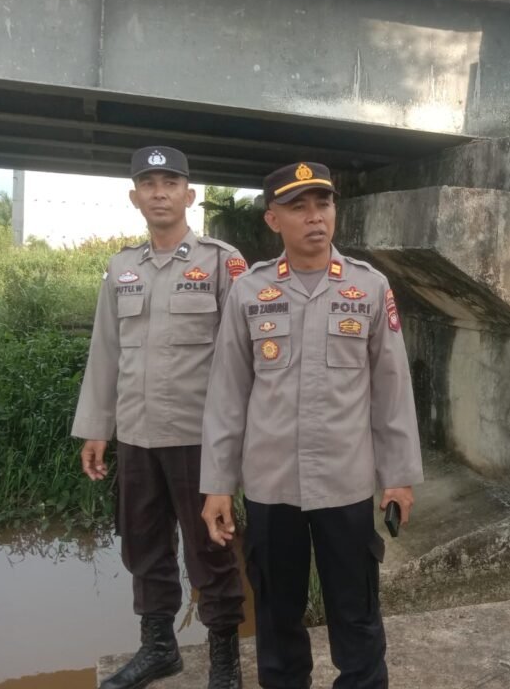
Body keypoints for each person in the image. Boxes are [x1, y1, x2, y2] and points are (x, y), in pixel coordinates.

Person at [200, 161, 423, 689]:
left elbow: (392, 389)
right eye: (298, 207)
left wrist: (398, 476)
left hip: (345, 485)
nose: (314, 217)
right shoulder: (249, 291)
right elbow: (227, 393)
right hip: (271, 486)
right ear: (273, 219)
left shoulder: (368, 288)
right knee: (277, 619)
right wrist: (216, 486)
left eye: (322, 203)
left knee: (358, 614)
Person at [72, 146, 248, 689]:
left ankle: (224, 660)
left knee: (210, 550)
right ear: (135, 197)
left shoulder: (222, 261)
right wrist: (98, 427)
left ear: (189, 195)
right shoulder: (122, 267)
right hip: (139, 437)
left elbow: (241, 357)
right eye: (148, 184)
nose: (160, 192)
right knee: (142, 545)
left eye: (170, 182)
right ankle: (159, 649)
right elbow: (106, 351)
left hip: (199, 440)